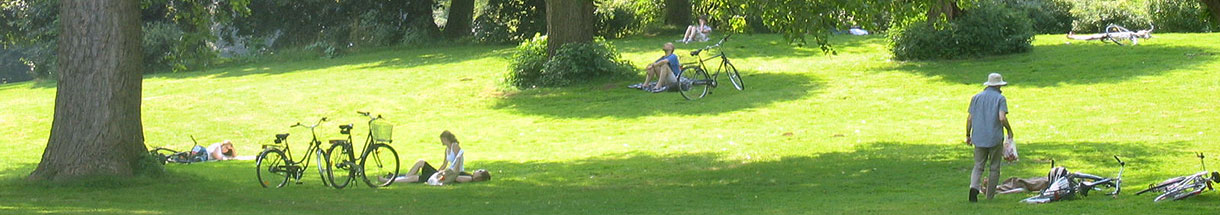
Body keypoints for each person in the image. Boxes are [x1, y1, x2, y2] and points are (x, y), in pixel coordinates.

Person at [966, 73, 1015, 202]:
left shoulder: (975, 98)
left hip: (978, 137)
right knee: (994, 167)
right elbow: (1002, 117)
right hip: (994, 138)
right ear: (998, 85)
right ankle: (989, 196)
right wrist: (1009, 130)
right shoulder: (1000, 98)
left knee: (978, 166)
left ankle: (974, 187)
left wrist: (967, 135)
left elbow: (970, 118)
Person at [383, 130, 491, 184]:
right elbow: (444, 164)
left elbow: (457, 167)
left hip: (448, 174)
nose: (441, 141)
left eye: (480, 171)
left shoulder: (455, 146)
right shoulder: (447, 150)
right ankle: (398, 178)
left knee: (415, 178)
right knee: (421, 162)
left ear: (445, 138)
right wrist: (437, 171)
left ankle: (391, 180)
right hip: (444, 173)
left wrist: (441, 175)